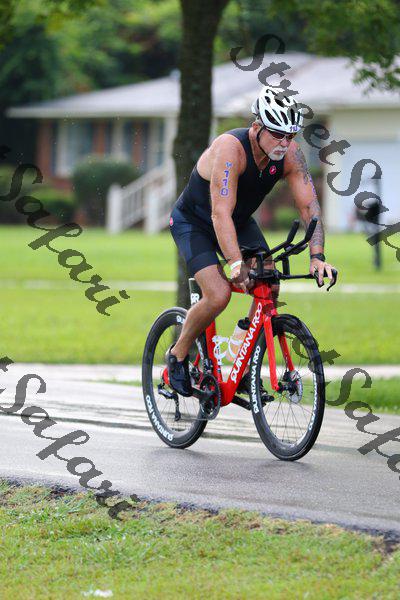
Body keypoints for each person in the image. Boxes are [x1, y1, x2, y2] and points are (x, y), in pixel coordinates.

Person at [167, 84, 335, 397]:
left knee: (269, 283)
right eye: (277, 134)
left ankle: (242, 365)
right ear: (257, 127)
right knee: (218, 294)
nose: (284, 143)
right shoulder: (230, 149)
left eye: (290, 135)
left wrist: (317, 256)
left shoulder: (290, 155)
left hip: (239, 222)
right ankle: (178, 354)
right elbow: (219, 213)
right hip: (196, 223)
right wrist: (235, 263)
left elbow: (309, 207)